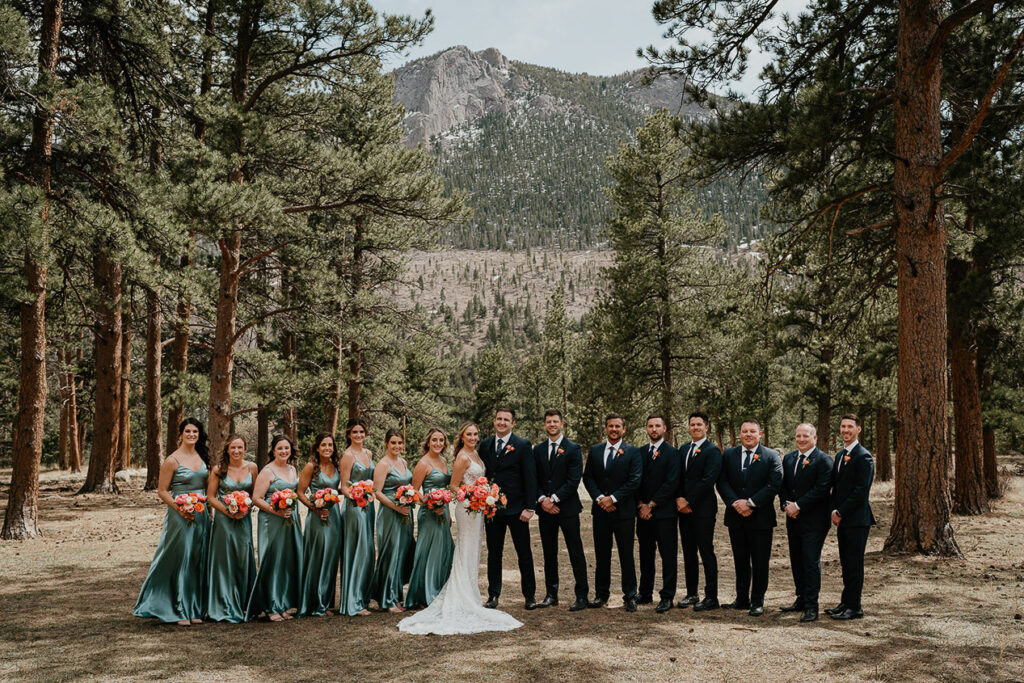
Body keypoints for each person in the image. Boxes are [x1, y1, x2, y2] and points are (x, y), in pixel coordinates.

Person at [398, 422, 523, 634]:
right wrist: (473, 495)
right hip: (466, 509)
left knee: (473, 551)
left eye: (475, 434)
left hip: (477, 510)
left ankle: (470, 593)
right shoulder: (462, 457)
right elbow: (455, 486)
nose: (473, 437)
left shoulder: (476, 455)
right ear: (461, 437)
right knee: (464, 549)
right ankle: (460, 595)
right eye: (469, 434)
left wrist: (485, 496)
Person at [134, 418, 211, 625]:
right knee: (180, 558)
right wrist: (180, 508)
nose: (191, 435)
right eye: (188, 431)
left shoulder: (203, 456)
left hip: (202, 513)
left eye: (195, 431)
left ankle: (195, 608)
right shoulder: (172, 460)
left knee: (198, 559)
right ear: (180, 434)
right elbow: (162, 491)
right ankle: (178, 608)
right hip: (180, 514)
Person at [716, 419, 782, 617]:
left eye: (752, 431)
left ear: (759, 434)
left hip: (760, 518)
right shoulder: (728, 455)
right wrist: (735, 503)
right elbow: (722, 481)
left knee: (760, 561)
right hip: (736, 516)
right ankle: (741, 598)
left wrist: (751, 503)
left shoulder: (771, 456)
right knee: (740, 560)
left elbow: (774, 484)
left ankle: (757, 601)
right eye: (744, 431)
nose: (748, 434)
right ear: (740, 434)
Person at [479, 407, 539, 610]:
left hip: (517, 510)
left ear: (513, 423)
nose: (502, 422)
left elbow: (530, 477)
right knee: (494, 553)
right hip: (492, 510)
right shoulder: (485, 444)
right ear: (494, 421)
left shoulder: (522, 445)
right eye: (499, 419)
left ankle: (529, 595)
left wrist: (530, 507)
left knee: (524, 553)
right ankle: (493, 595)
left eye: (506, 419)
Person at [582, 413, 641, 611]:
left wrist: (613, 498)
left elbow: (634, 480)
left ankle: (630, 595)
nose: (614, 429)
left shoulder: (632, 452)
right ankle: (601, 595)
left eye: (617, 426)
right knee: (602, 554)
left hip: (623, 512)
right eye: (610, 426)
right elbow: (588, 477)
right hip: (601, 511)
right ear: (605, 429)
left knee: (626, 554)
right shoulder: (596, 450)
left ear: (624, 429)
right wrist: (600, 498)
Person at [533, 409, 589, 611]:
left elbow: (574, 480)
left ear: (562, 424)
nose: (552, 424)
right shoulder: (538, 450)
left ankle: (582, 595)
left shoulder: (573, 448)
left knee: (576, 552)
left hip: (568, 509)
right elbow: (535, 479)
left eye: (555, 421)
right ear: (545, 424)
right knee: (549, 553)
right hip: (545, 511)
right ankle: (551, 594)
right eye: (548, 421)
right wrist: (542, 500)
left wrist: (554, 499)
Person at [778, 423, 833, 623]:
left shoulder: (824, 460)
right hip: (792, 518)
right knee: (797, 560)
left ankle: (812, 605)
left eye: (805, 436)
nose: (801, 439)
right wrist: (786, 505)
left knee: (810, 560)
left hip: (815, 520)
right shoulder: (790, 458)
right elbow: (782, 485)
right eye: (798, 436)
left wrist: (798, 505)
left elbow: (821, 489)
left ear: (815, 438)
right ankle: (800, 598)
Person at [247, 434, 304, 621]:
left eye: (287, 448)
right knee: (273, 561)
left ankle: (283, 604)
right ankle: (271, 607)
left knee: (287, 561)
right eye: (280, 448)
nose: (284, 451)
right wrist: (276, 511)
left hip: (290, 520)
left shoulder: (292, 469)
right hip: (272, 521)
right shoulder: (267, 471)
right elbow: (256, 498)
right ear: (273, 450)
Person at [205, 433, 258, 623]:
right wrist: (228, 512)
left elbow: (255, 494)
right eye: (233, 447)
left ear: (245, 449)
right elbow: (210, 497)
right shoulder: (219, 470)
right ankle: (224, 603)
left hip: (244, 519)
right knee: (224, 559)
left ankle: (244, 603)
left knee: (243, 558)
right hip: (224, 521)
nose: (236, 451)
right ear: (227, 449)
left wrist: (246, 508)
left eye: (240, 447)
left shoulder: (252, 468)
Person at [828, 413, 876, 621]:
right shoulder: (840, 455)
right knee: (846, 563)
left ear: (858, 430)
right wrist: (833, 509)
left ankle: (855, 607)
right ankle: (845, 602)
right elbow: (838, 488)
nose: (845, 430)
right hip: (843, 519)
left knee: (854, 564)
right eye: (843, 426)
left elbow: (860, 490)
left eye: (850, 427)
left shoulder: (863, 456)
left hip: (857, 520)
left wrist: (840, 511)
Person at [675, 411, 723, 612]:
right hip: (683, 510)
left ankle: (711, 596)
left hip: (702, 509)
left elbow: (708, 480)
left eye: (699, 424)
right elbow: (677, 476)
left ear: (707, 427)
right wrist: (679, 499)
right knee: (688, 552)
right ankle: (692, 593)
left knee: (706, 551)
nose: (695, 427)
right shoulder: (684, 449)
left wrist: (688, 500)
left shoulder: (713, 451)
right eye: (692, 424)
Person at [635, 414, 681, 613]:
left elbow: (672, 483)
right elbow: (634, 480)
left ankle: (667, 596)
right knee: (645, 554)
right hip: (642, 513)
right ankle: (645, 593)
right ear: (646, 429)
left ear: (664, 429)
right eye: (650, 426)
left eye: (657, 426)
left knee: (668, 556)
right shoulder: (639, 452)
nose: (654, 429)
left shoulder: (672, 453)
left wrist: (651, 505)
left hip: (664, 513)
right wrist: (640, 505)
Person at [405, 428, 455, 609]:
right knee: (429, 552)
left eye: (441, 440)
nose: (438, 443)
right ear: (428, 442)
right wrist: (432, 504)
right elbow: (413, 491)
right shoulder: (423, 463)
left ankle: (440, 589)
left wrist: (446, 510)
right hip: (429, 513)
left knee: (444, 550)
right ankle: (425, 594)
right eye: (434, 440)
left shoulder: (443, 460)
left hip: (444, 512)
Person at [370, 428, 415, 613]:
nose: (397, 446)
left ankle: (396, 596)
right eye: (393, 443)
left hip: (405, 513)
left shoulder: (403, 462)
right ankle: (387, 599)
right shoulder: (383, 464)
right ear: (386, 444)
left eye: (399, 442)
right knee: (391, 553)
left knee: (401, 553)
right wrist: (397, 507)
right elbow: (376, 492)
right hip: (390, 513)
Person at [298, 433, 343, 617]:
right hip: (317, 517)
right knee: (318, 557)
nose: (327, 448)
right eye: (323, 445)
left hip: (334, 516)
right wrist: (315, 508)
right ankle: (314, 603)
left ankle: (325, 602)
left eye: (330, 445)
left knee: (331, 557)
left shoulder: (336, 465)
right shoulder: (311, 467)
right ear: (317, 447)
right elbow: (300, 492)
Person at [338, 418, 375, 616]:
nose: (359, 435)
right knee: (356, 552)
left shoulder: (368, 453)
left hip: (368, 507)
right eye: (355, 432)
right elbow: (343, 485)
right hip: (353, 507)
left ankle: (363, 597)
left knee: (367, 551)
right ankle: (352, 601)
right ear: (348, 434)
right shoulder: (347, 455)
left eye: (361, 432)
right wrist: (356, 496)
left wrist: (370, 494)